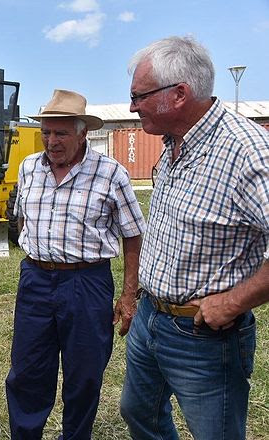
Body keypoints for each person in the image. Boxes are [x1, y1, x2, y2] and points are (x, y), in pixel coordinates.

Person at [120, 36, 269, 440]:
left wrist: (233, 301)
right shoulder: (172, 145)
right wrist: (135, 298)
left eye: (138, 96)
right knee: (138, 412)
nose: (132, 107)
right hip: (151, 319)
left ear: (180, 94)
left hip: (204, 335)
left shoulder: (247, 151)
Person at [6, 89, 146, 440]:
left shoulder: (111, 173)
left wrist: (129, 296)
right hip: (35, 279)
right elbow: (22, 220)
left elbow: (134, 236)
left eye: (61, 133)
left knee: (84, 374)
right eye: (46, 133)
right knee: (27, 372)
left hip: (87, 283)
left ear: (83, 133)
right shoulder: (28, 168)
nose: (52, 141)